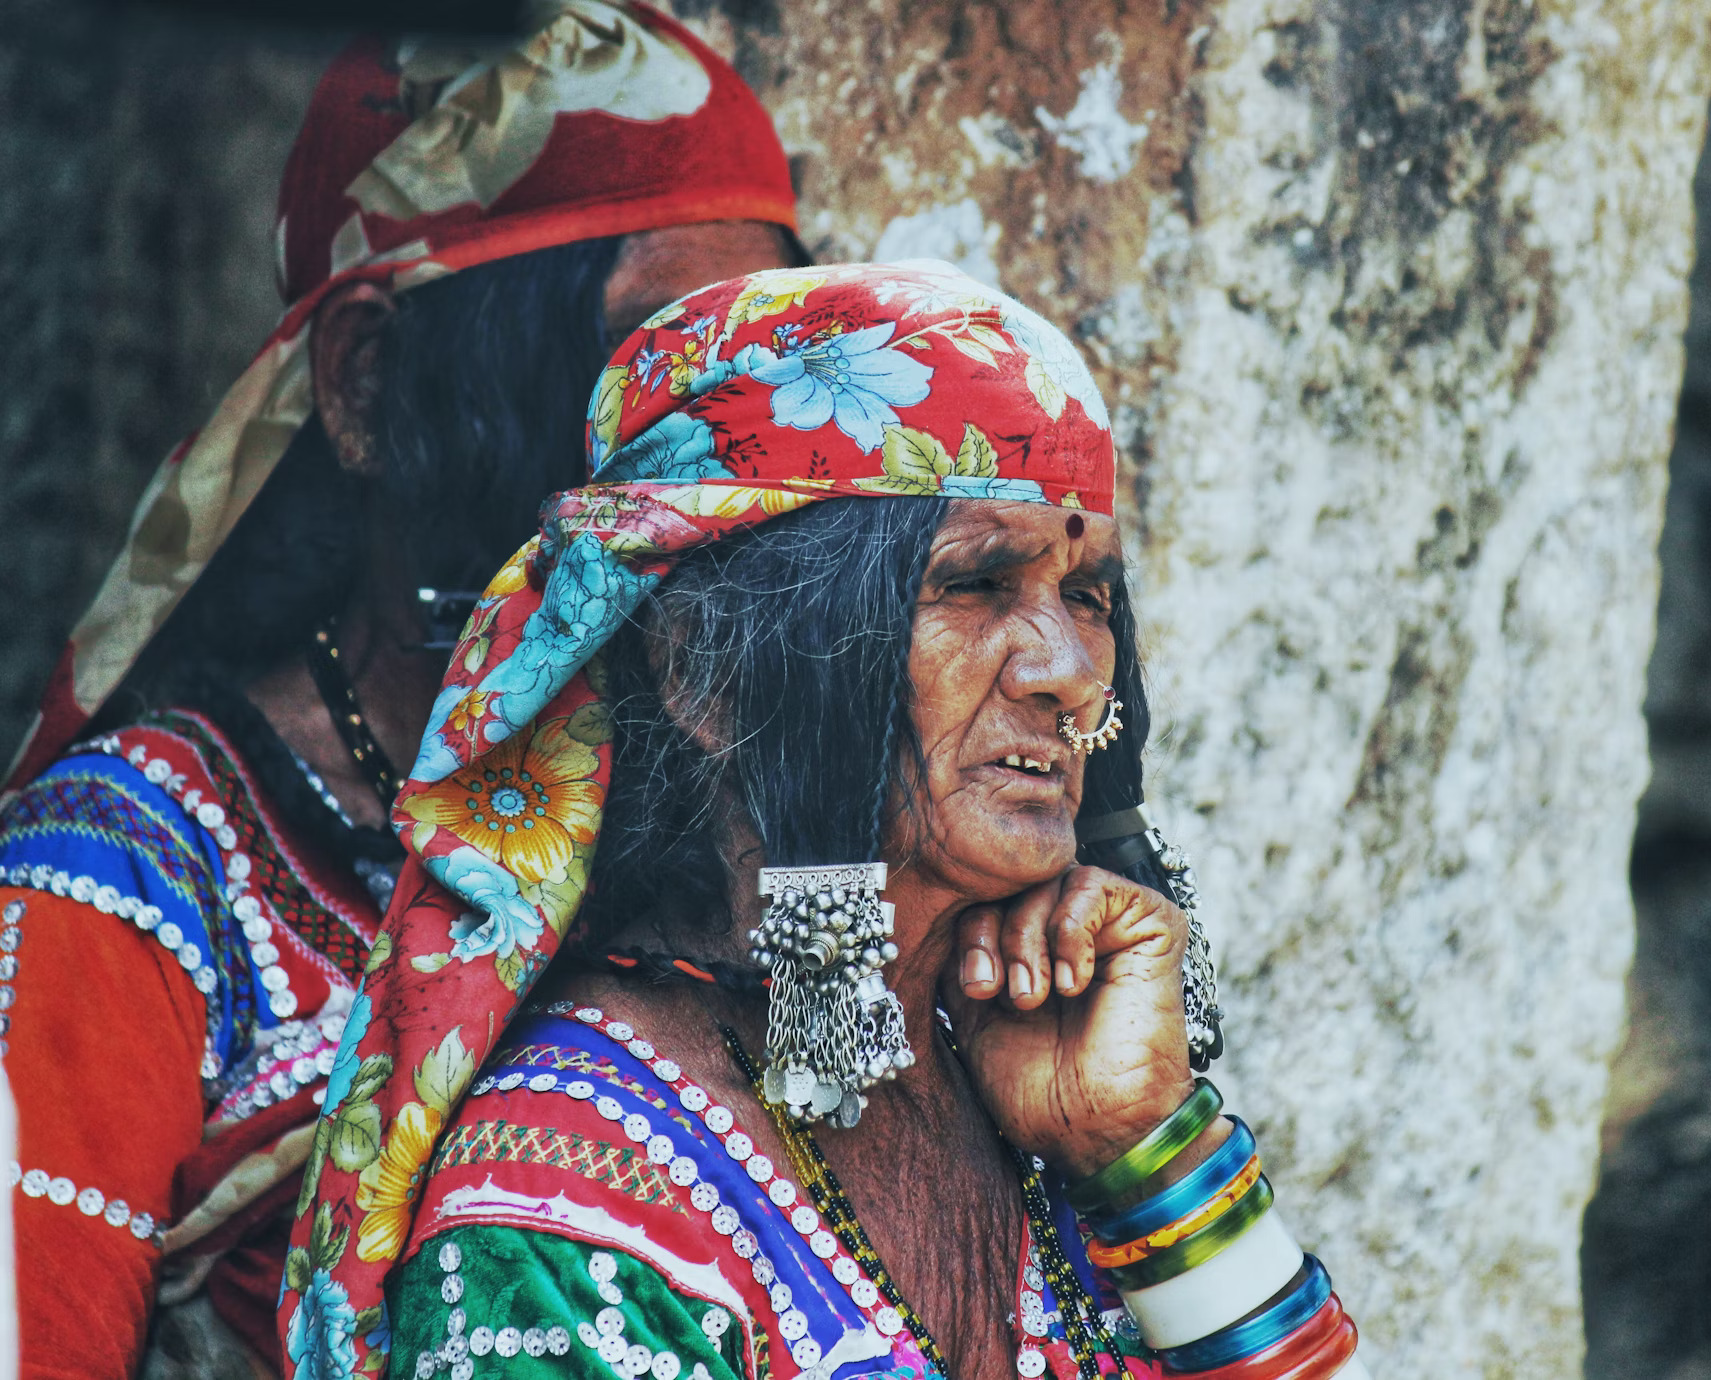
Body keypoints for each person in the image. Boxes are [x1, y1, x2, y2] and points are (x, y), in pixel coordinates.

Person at [279, 261, 1358, 1380]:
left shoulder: (1027, 1085)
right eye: (976, 583)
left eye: (1085, 595)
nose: (1072, 672)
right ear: (704, 670)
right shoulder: (561, 1213)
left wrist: (1145, 1149)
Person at [0, 5, 800, 1372]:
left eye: (761, 372)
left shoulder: (757, 818)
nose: (729, 464)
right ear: (369, 384)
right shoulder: (126, 876)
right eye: (648, 367)